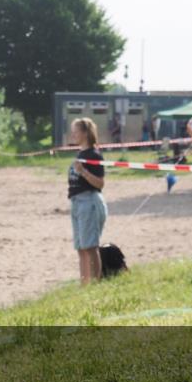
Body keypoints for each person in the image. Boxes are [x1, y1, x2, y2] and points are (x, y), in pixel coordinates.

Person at [67, 118, 108, 285]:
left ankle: (95, 284)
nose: (73, 134)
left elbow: (100, 183)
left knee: (90, 247)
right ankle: (84, 284)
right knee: (80, 247)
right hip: (76, 202)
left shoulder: (93, 155)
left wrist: (83, 172)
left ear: (85, 133)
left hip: (89, 202)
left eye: (76, 131)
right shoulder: (80, 154)